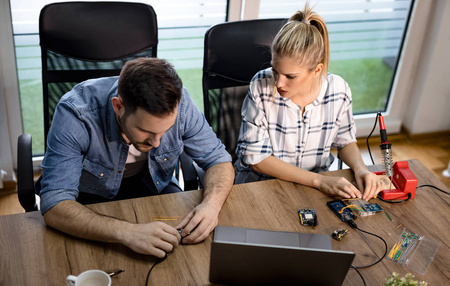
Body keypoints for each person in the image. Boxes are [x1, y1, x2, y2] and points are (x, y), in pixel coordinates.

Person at [35, 57, 234, 258]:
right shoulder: (76, 114)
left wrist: (211, 205)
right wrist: (127, 232)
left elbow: (218, 160)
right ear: (118, 107)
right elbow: (55, 204)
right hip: (89, 197)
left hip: (152, 184)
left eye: (165, 130)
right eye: (145, 130)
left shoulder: (180, 104)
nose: (156, 143)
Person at [235, 3, 383, 200]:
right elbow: (256, 158)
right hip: (263, 188)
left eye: (290, 76)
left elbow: (345, 140)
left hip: (314, 190)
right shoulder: (261, 85)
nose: (279, 82)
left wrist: (361, 168)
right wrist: (319, 181)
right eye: (275, 70)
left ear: (317, 70)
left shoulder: (339, 90)